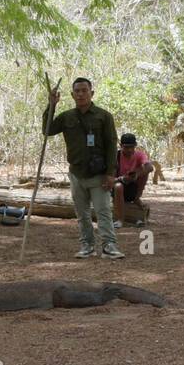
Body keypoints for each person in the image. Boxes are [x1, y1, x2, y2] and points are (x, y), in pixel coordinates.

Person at [45, 77, 123, 259]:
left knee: (103, 211)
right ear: (72, 95)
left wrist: (111, 174)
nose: (81, 94)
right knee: (82, 213)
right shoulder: (66, 117)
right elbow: (47, 130)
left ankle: (109, 245)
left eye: (84, 90)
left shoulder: (104, 116)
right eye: (77, 91)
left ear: (91, 93)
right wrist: (51, 105)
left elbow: (112, 145)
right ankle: (87, 245)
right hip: (76, 173)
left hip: (98, 174)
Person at [112, 132, 155, 227]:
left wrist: (136, 174)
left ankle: (136, 198)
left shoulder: (139, 155)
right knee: (118, 186)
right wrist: (122, 178)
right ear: (121, 146)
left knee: (144, 173)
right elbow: (111, 180)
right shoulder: (115, 157)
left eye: (132, 147)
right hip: (117, 189)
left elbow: (150, 167)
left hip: (132, 188)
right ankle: (120, 220)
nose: (129, 150)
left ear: (135, 146)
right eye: (126, 147)